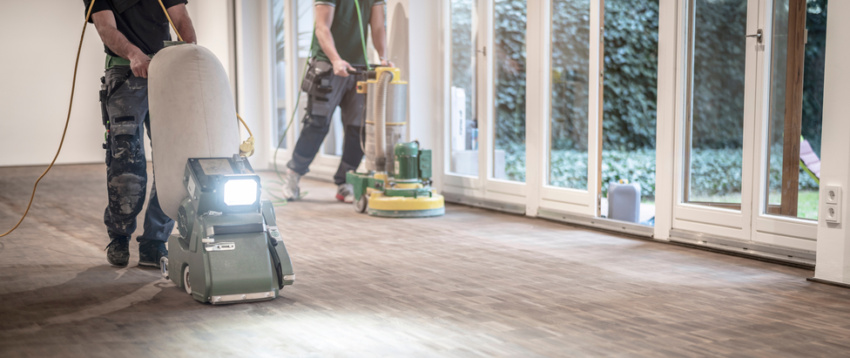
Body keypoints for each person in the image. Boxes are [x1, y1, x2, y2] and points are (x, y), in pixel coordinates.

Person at [84, 0, 196, 268]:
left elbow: (180, 19)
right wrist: (135, 55)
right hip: (125, 72)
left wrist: (189, 53)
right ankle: (120, 235)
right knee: (126, 161)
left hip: (166, 70)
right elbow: (105, 27)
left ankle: (155, 241)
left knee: (173, 160)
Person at [281, 0, 393, 202]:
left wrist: (383, 56)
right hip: (328, 63)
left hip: (358, 67)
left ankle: (346, 181)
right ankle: (293, 175)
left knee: (358, 128)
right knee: (317, 124)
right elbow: (322, 27)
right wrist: (335, 59)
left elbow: (377, 26)